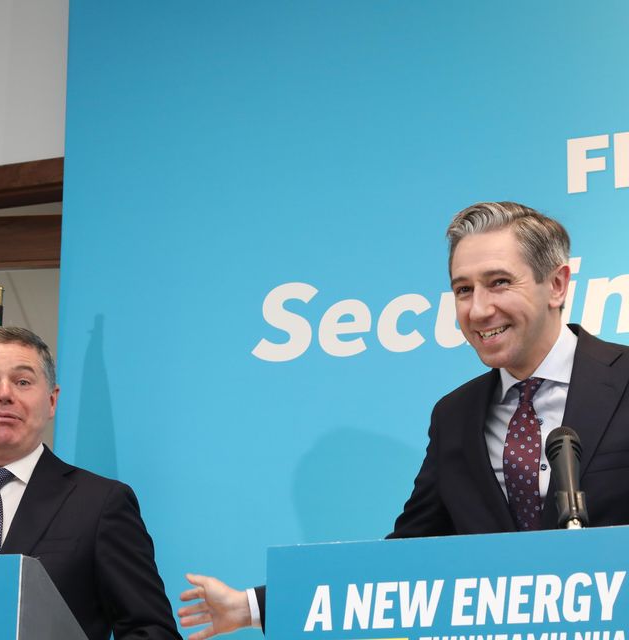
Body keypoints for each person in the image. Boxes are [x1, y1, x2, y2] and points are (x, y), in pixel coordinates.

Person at [178, 202, 629, 639]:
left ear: (557, 285)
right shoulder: (454, 416)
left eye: (499, 283)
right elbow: (404, 560)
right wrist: (253, 606)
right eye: (463, 290)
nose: (477, 310)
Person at [0, 326, 180, 640]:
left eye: (23, 382)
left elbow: (153, 631)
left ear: (52, 401)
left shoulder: (100, 503)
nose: (3, 394)